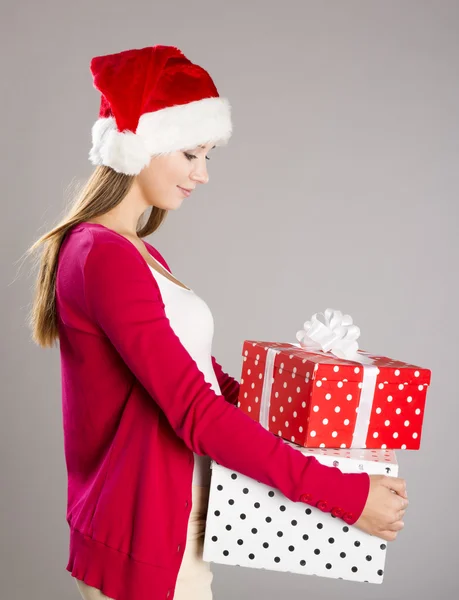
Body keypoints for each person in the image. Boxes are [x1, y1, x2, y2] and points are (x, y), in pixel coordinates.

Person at [26, 45, 408, 600]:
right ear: (141, 148)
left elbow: (206, 382)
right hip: (146, 538)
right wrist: (344, 495)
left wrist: (305, 395)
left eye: (208, 156)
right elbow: (195, 413)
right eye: (189, 154)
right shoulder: (101, 255)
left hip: (183, 526)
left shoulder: (136, 253)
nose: (202, 175)